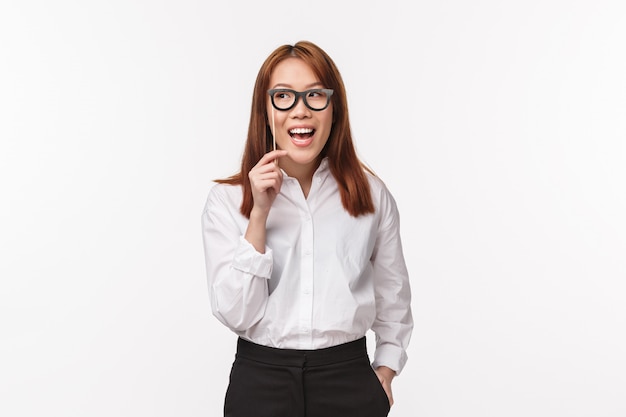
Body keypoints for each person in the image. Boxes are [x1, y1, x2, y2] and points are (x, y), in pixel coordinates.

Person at [201, 40, 413, 417]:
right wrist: (260, 215)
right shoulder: (227, 201)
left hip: (347, 380)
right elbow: (236, 314)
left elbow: (393, 295)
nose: (300, 110)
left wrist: (385, 371)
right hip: (260, 382)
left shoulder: (372, 196)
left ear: (334, 108)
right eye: (283, 96)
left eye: (315, 95)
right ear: (265, 111)